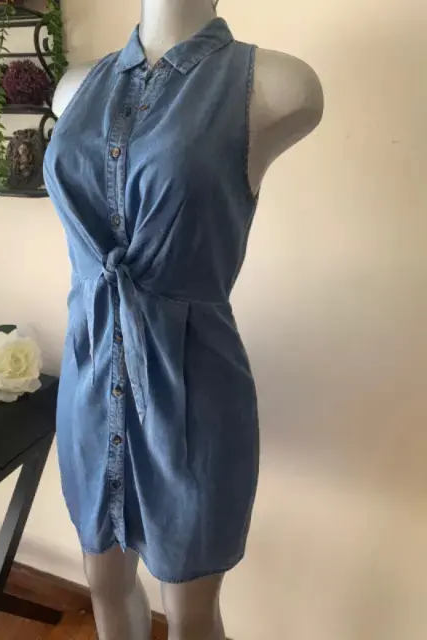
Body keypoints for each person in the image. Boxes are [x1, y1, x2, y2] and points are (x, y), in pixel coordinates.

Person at [44, 1, 323, 638]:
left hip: (193, 393)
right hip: (90, 379)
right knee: (104, 584)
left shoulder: (275, 83)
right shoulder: (76, 85)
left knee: (190, 613)